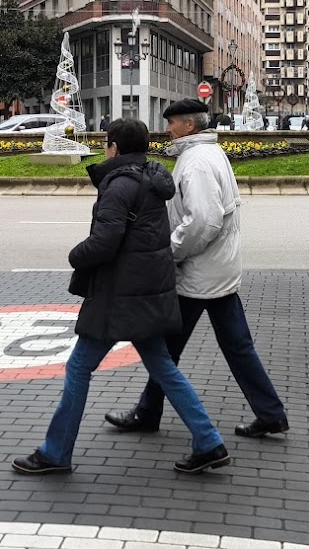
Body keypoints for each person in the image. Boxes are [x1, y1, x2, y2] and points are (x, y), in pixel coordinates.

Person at [14, 118, 231, 476]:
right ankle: (208, 442)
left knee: (79, 368)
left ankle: (55, 452)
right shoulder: (153, 179)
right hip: (148, 290)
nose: (103, 149)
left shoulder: (119, 185)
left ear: (114, 146)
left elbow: (105, 242)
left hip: (119, 294)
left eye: (105, 143)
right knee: (164, 368)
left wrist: (75, 255)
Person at [105, 100, 289, 440]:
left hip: (198, 272)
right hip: (217, 269)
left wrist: (170, 253)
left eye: (172, 122)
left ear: (189, 125)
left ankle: (150, 413)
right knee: (235, 347)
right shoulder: (208, 154)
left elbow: (203, 222)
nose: (168, 128)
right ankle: (271, 413)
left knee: (166, 350)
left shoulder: (197, 163)